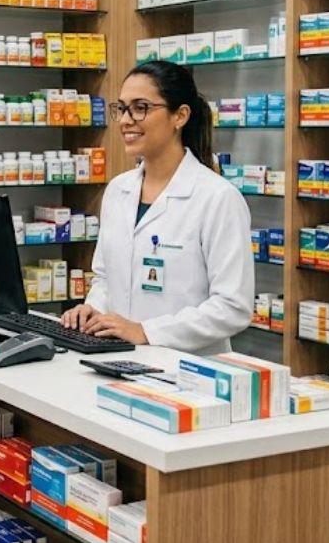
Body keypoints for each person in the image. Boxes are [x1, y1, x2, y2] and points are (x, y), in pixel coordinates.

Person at [61, 60, 254, 355]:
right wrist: (92, 309)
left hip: (189, 369)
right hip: (119, 357)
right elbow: (104, 278)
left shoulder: (217, 198)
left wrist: (146, 331)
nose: (126, 120)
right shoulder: (118, 190)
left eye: (141, 108)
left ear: (180, 116)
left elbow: (233, 307)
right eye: (122, 108)